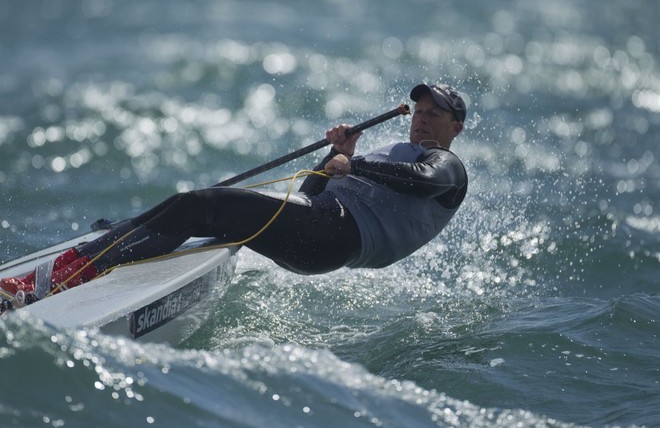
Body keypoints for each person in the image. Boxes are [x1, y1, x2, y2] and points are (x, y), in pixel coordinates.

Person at [1, 83, 469, 297]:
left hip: (337, 238)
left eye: (435, 113)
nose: (423, 117)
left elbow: (420, 182)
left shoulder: (447, 166)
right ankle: (114, 240)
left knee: (204, 205)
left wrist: (355, 161)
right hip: (321, 224)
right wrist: (333, 159)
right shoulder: (388, 149)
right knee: (195, 206)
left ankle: (59, 280)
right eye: (420, 110)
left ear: (457, 126)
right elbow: (312, 192)